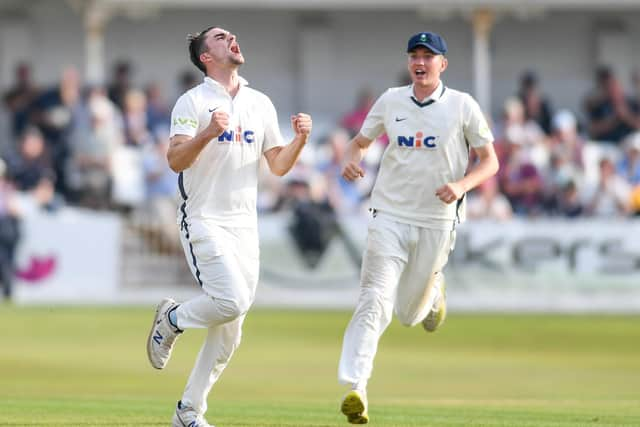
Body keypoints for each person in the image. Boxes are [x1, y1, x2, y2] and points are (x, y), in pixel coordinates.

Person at [145, 26, 312, 427]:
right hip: (203, 218)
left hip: (244, 225)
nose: (232, 38)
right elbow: (175, 160)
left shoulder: (259, 103)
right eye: (220, 37)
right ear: (206, 56)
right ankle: (171, 320)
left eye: (233, 35)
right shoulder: (193, 101)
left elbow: (278, 165)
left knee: (231, 330)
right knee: (231, 300)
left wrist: (300, 140)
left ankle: (188, 412)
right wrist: (207, 133)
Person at [337, 31, 498, 424]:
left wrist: (461, 186)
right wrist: (352, 159)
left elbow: (489, 161)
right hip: (388, 213)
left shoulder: (462, 106)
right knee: (374, 298)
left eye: (429, 56)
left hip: (437, 220)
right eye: (414, 56)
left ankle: (433, 294)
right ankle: (357, 387)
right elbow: (359, 142)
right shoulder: (391, 100)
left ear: (443, 64)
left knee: (409, 314)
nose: (420, 62)